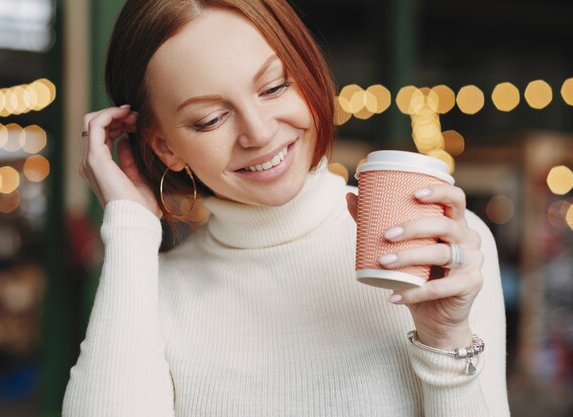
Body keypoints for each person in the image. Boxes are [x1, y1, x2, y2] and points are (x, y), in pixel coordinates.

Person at [62, 0, 510, 416]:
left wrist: (446, 341)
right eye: (210, 119)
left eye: (273, 87)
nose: (258, 132)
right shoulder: (152, 296)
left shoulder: (433, 249)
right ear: (166, 148)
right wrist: (130, 226)